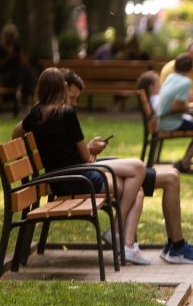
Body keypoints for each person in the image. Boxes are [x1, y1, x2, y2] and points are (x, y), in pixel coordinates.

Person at [62, 69, 193, 264]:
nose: (74, 103)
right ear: (60, 90)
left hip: (96, 169)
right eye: (71, 97)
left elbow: (77, 156)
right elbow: (76, 160)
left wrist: (90, 149)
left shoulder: (58, 116)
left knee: (171, 175)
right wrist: (89, 151)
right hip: (93, 173)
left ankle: (170, 246)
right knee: (169, 178)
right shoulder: (60, 117)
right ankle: (176, 247)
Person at [12, 68, 150, 265]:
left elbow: (15, 134)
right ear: (62, 88)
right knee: (137, 173)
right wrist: (91, 150)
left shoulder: (35, 114)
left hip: (64, 177)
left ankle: (123, 241)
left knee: (136, 183)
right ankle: (116, 232)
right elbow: (86, 157)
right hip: (78, 178)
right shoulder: (67, 113)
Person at [156, 53, 193, 174]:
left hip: (161, 120)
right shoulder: (185, 82)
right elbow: (176, 107)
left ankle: (188, 162)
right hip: (171, 122)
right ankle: (186, 162)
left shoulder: (170, 77)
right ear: (190, 68)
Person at [0, 22, 35, 105]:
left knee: (24, 69)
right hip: (5, 75)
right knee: (24, 71)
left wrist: (20, 56)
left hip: (16, 75)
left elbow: (23, 61)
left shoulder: (17, 46)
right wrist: (9, 57)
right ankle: (28, 93)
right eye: (9, 35)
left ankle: (21, 90)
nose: (10, 38)